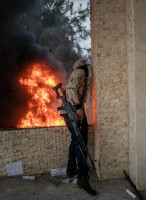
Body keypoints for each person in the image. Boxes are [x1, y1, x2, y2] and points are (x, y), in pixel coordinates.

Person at [62, 58, 97, 196]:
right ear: (83, 67)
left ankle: (71, 170)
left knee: (76, 141)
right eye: (87, 67)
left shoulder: (78, 74)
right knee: (81, 144)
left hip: (71, 113)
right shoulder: (80, 72)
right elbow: (70, 90)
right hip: (74, 113)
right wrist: (78, 108)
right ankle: (82, 178)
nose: (88, 69)